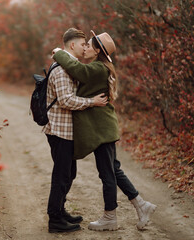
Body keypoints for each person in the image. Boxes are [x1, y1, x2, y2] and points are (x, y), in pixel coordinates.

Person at [52, 31, 157, 231]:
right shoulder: (99, 67)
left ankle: (110, 217)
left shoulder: (98, 68)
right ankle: (141, 205)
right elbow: (79, 70)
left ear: (98, 51)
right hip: (103, 129)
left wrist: (58, 52)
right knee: (114, 170)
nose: (85, 48)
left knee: (107, 173)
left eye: (89, 45)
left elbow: (76, 69)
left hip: (102, 130)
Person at [43, 28, 108, 233]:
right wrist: (92, 102)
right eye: (83, 44)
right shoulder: (61, 70)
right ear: (72, 45)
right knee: (61, 175)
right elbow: (66, 100)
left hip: (67, 131)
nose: (85, 47)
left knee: (69, 173)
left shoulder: (70, 67)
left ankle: (60, 211)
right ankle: (55, 220)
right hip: (59, 130)